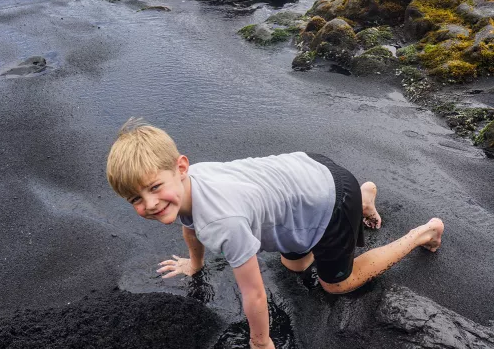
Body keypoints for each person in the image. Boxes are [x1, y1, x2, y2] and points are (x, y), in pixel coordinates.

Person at [106, 118, 445, 349]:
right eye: (136, 198)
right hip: (307, 171)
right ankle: (364, 193)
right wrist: (194, 264)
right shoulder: (189, 181)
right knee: (294, 267)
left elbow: (254, 294)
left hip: (331, 198)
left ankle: (421, 233)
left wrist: (261, 343)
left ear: (180, 167)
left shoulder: (223, 221)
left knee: (336, 284)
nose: (149, 204)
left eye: (153, 188)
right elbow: (189, 226)